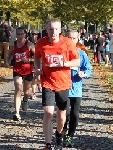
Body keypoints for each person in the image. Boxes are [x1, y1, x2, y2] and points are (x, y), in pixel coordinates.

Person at [34, 18, 80, 150]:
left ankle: (59, 134)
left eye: (56, 29)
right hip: (47, 81)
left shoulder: (67, 42)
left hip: (63, 83)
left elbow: (76, 62)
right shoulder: (41, 43)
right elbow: (37, 56)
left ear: (60, 30)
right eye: (51, 29)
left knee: (61, 114)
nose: (53, 32)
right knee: (48, 112)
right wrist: (37, 68)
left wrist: (63, 63)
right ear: (46, 30)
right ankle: (48, 144)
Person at [63, 29, 92, 148]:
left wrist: (84, 73)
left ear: (77, 39)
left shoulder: (81, 53)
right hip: (63, 87)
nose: (71, 40)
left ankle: (70, 136)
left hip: (76, 89)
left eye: (74, 38)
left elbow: (89, 69)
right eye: (69, 38)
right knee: (65, 114)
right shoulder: (61, 53)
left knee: (74, 114)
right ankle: (62, 132)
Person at [7, 27, 35, 121]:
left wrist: (29, 60)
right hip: (17, 69)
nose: (19, 36)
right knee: (18, 89)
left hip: (28, 70)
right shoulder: (14, 45)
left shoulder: (29, 45)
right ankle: (17, 113)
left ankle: (25, 100)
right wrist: (8, 61)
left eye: (21, 34)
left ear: (25, 34)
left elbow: (38, 58)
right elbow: (10, 54)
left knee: (26, 92)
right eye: (18, 34)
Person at [29, 29, 41, 100]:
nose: (34, 35)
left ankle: (39, 84)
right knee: (33, 78)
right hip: (31, 62)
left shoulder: (40, 42)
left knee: (39, 78)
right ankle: (33, 93)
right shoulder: (28, 43)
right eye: (32, 34)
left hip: (40, 62)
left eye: (35, 34)